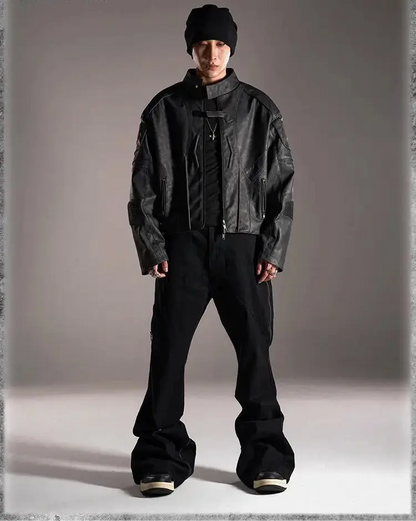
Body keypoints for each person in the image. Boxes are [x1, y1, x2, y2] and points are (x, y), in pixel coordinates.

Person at [127, 3, 295, 497]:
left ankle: (266, 457)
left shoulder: (259, 109)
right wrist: (152, 245)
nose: (212, 53)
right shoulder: (163, 110)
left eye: (221, 44)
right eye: (203, 44)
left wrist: (273, 248)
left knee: (255, 353)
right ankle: (161, 457)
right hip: (182, 249)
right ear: (191, 48)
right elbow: (142, 187)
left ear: (232, 48)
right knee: (168, 352)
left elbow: (282, 186)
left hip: (244, 249)